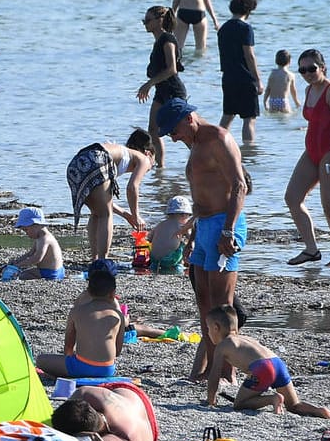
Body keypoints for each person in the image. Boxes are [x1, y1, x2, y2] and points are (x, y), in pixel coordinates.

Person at [151, 98, 247, 380]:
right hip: (204, 225)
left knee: (222, 304)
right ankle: (210, 368)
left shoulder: (219, 138)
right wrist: (192, 233)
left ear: (188, 118)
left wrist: (228, 230)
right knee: (204, 302)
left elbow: (239, 185)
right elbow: (201, 193)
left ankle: (227, 371)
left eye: (175, 130)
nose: (173, 137)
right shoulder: (195, 145)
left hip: (223, 223)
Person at [203, 304, 330, 417]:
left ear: (216, 328)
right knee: (294, 405)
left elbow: (215, 374)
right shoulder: (246, 339)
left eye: (208, 329)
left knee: (239, 404)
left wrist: (211, 400)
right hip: (277, 362)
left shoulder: (223, 345)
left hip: (262, 368)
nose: (208, 333)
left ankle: (273, 398)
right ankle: (320, 411)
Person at [286, 48, 330, 270]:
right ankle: (311, 249)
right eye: (302, 70)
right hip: (311, 152)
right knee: (292, 198)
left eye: (311, 68)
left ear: (322, 67)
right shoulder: (307, 89)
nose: (307, 73)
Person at [65, 132, 154, 262]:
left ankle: (95, 258)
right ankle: (103, 259)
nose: (149, 168)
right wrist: (136, 215)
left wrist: (126, 215)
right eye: (153, 164)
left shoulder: (120, 154)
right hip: (96, 158)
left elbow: (104, 201)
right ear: (149, 153)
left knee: (96, 213)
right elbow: (132, 187)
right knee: (105, 215)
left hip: (77, 163)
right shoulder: (144, 158)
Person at [34, 261, 126, 379]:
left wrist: (70, 362)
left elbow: (68, 346)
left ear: (89, 291)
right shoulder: (118, 315)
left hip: (80, 367)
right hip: (107, 369)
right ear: (113, 294)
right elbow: (117, 352)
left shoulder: (77, 311)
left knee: (41, 360)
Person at [48, 383, 160, 441]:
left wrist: (80, 438)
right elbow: (80, 393)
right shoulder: (85, 394)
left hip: (147, 431)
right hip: (131, 395)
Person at [137, 6, 187, 166]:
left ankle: (202, 157)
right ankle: (160, 169)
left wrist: (149, 83)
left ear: (160, 20)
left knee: (182, 131)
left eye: (148, 20)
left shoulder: (167, 40)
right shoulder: (158, 41)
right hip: (161, 91)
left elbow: (172, 69)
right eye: (144, 21)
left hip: (173, 91)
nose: (145, 24)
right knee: (153, 130)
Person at [218, 0, 262, 143]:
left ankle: (217, 144)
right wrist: (258, 80)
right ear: (249, 10)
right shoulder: (245, 29)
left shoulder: (223, 29)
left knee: (227, 116)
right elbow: (249, 56)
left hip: (228, 77)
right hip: (244, 78)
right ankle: (248, 151)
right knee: (249, 119)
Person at [148, 195, 193, 274]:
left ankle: (154, 267)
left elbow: (149, 238)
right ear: (183, 215)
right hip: (170, 260)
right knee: (184, 244)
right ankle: (180, 265)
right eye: (188, 216)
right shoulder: (183, 227)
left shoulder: (160, 224)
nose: (189, 219)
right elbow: (191, 238)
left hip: (154, 258)